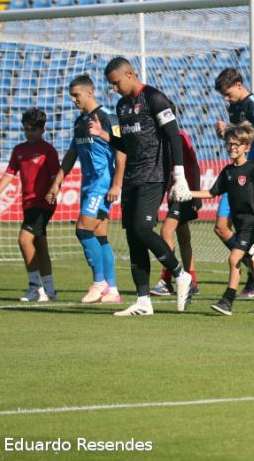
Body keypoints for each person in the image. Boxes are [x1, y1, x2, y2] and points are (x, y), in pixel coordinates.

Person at [88, 57, 194, 315]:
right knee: (133, 238)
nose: (114, 89)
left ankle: (181, 274)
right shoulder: (122, 105)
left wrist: (179, 175)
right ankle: (143, 301)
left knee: (142, 229)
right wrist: (104, 135)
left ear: (130, 74)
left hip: (154, 176)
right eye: (111, 85)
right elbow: (127, 144)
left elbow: (173, 136)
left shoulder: (154, 98)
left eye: (116, 83)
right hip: (132, 178)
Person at [46, 75, 123, 304]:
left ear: (89, 93)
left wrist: (117, 183)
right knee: (100, 236)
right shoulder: (80, 121)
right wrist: (57, 182)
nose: (73, 99)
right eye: (71, 96)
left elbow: (122, 151)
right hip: (88, 185)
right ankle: (112, 290)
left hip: (102, 184)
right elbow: (72, 154)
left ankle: (99, 283)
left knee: (82, 229)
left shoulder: (109, 117)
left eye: (76, 95)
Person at [188, 124, 254, 315]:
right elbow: (211, 193)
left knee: (234, 258)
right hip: (240, 224)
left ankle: (227, 301)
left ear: (247, 147)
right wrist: (188, 193)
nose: (232, 147)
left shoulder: (253, 169)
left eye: (236, 144)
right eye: (229, 144)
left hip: (253, 223)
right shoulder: (227, 171)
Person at [0, 108, 60, 302]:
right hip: (28, 204)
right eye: (26, 129)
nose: (29, 133)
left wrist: (54, 191)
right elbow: (9, 173)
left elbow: (56, 177)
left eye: (33, 129)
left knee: (24, 239)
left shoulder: (48, 151)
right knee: (40, 244)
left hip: (43, 204)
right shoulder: (19, 150)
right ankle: (50, 290)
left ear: (42, 129)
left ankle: (35, 288)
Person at [213, 68, 254, 299]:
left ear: (239, 85)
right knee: (221, 226)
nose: (226, 99)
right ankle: (252, 267)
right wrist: (224, 132)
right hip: (236, 177)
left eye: (228, 94)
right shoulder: (234, 107)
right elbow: (236, 140)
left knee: (253, 231)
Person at [151, 103, 201, 299]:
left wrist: (196, 193)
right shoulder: (158, 139)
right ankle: (192, 280)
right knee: (183, 237)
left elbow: (194, 166)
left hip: (184, 192)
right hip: (173, 194)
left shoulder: (180, 137)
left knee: (166, 232)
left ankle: (167, 280)